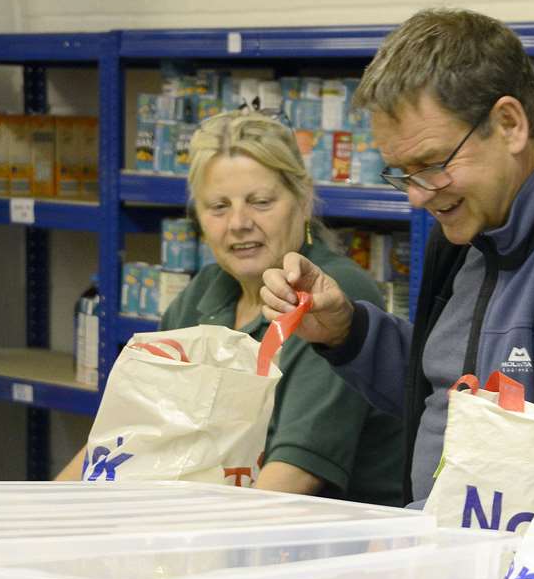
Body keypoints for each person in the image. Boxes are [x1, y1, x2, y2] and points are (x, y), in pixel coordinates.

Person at [259, 8, 534, 506]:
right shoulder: (470, 231)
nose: (418, 196)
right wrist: (347, 333)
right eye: (402, 172)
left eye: (432, 165)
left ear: (509, 124)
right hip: (449, 553)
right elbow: (447, 398)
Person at [57, 110, 404, 504]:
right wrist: (45, 513)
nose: (238, 223)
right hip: (219, 520)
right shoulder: (202, 295)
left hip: (325, 537)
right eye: (218, 207)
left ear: (304, 201)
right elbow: (128, 435)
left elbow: (295, 475)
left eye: (260, 202)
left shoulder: (330, 295)